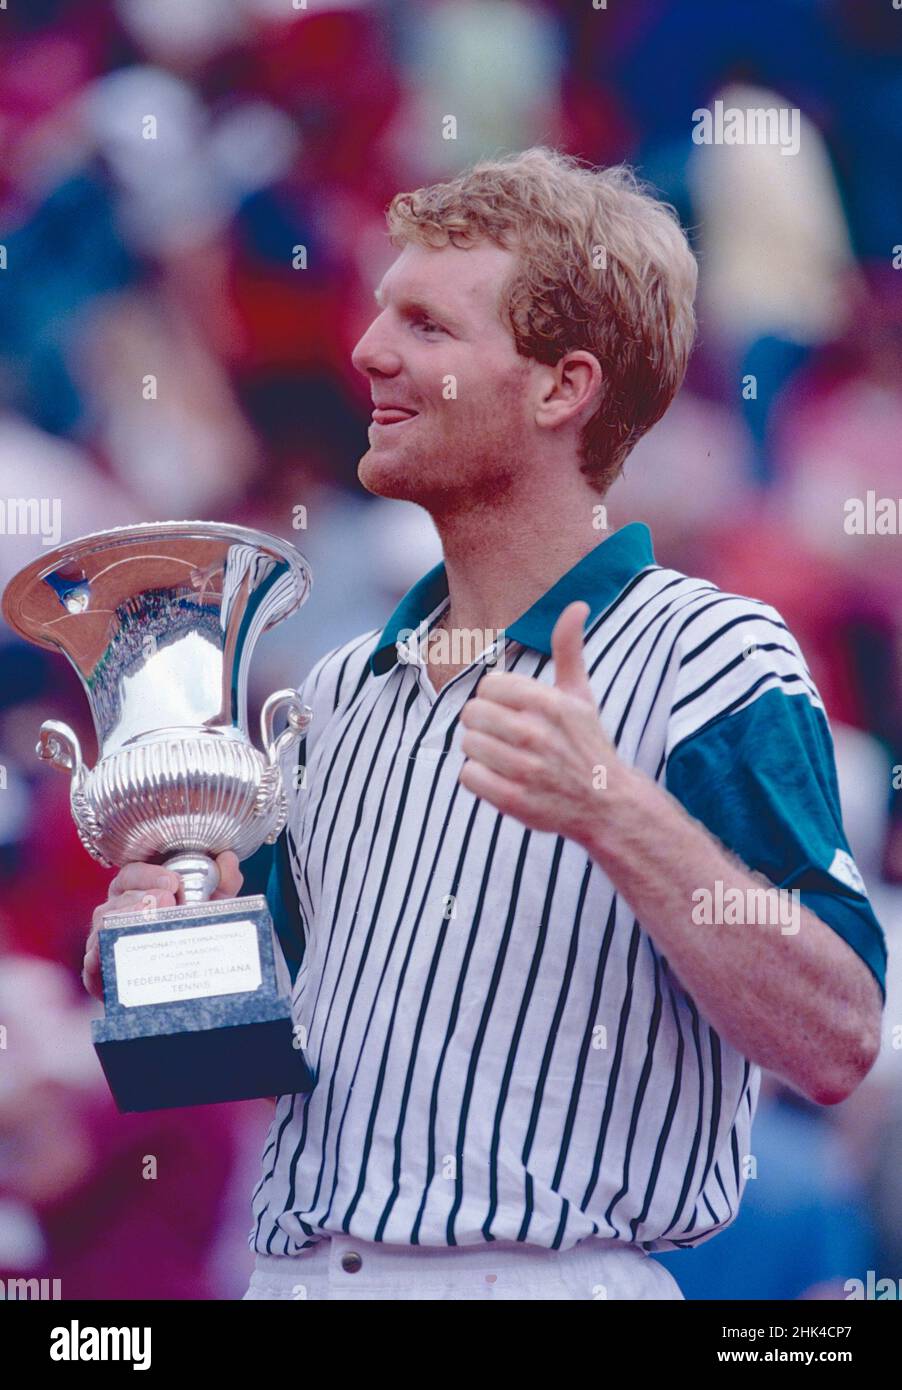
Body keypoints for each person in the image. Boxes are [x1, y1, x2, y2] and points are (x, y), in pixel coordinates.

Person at [82, 148, 886, 1301]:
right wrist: (156, 952)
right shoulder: (339, 688)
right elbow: (223, 1060)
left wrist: (609, 807)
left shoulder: (714, 653)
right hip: (294, 1278)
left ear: (561, 388)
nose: (367, 350)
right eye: (376, 311)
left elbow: (837, 1038)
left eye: (425, 325)